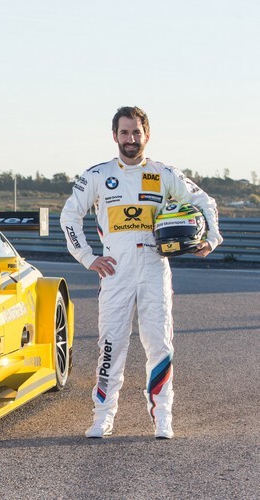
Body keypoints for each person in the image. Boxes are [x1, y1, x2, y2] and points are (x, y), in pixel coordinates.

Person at [59, 106, 223, 439]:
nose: (130, 139)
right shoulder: (96, 175)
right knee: (110, 345)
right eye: (124, 133)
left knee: (159, 345)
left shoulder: (165, 174)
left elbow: (205, 202)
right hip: (115, 271)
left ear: (147, 134)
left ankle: (163, 416)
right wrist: (88, 257)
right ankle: (103, 416)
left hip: (153, 267)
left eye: (136, 132)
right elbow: (69, 217)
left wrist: (211, 237)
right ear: (114, 136)